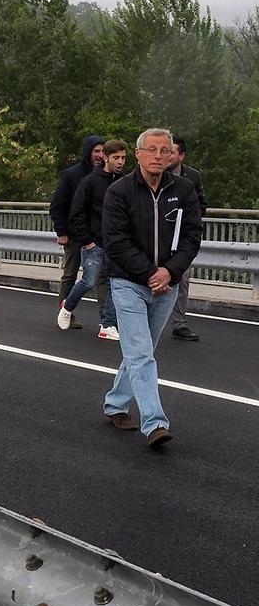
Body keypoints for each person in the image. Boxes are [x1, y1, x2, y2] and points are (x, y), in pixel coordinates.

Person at [100, 128, 202, 448]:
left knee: (140, 352)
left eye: (164, 151)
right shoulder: (119, 192)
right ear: (138, 153)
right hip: (129, 283)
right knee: (141, 353)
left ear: (172, 155)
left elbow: (192, 236)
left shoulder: (184, 190)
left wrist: (170, 272)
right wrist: (149, 274)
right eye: (152, 150)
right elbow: (116, 242)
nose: (159, 156)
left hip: (167, 283)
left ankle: (116, 403)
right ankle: (154, 423)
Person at [60, 139, 126, 338]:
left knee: (116, 284)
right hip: (94, 242)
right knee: (89, 280)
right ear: (105, 158)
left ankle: (108, 325)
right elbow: (76, 213)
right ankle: (67, 306)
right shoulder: (89, 181)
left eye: (123, 158)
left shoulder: (124, 182)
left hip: (116, 243)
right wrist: (87, 240)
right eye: (116, 158)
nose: (120, 162)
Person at [49, 135, 107, 328]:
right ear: (88, 152)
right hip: (74, 235)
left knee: (102, 278)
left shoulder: (108, 176)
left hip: (98, 236)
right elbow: (57, 205)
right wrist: (61, 231)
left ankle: (107, 321)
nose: (99, 155)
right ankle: (66, 313)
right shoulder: (72, 174)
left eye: (102, 151)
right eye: (96, 151)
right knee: (70, 275)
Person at [167, 138, 206, 342]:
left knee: (182, 280)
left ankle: (179, 324)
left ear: (181, 155)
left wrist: (190, 219)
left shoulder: (192, 177)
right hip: (158, 234)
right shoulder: (154, 173)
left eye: (170, 151)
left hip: (181, 238)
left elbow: (201, 203)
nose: (166, 155)